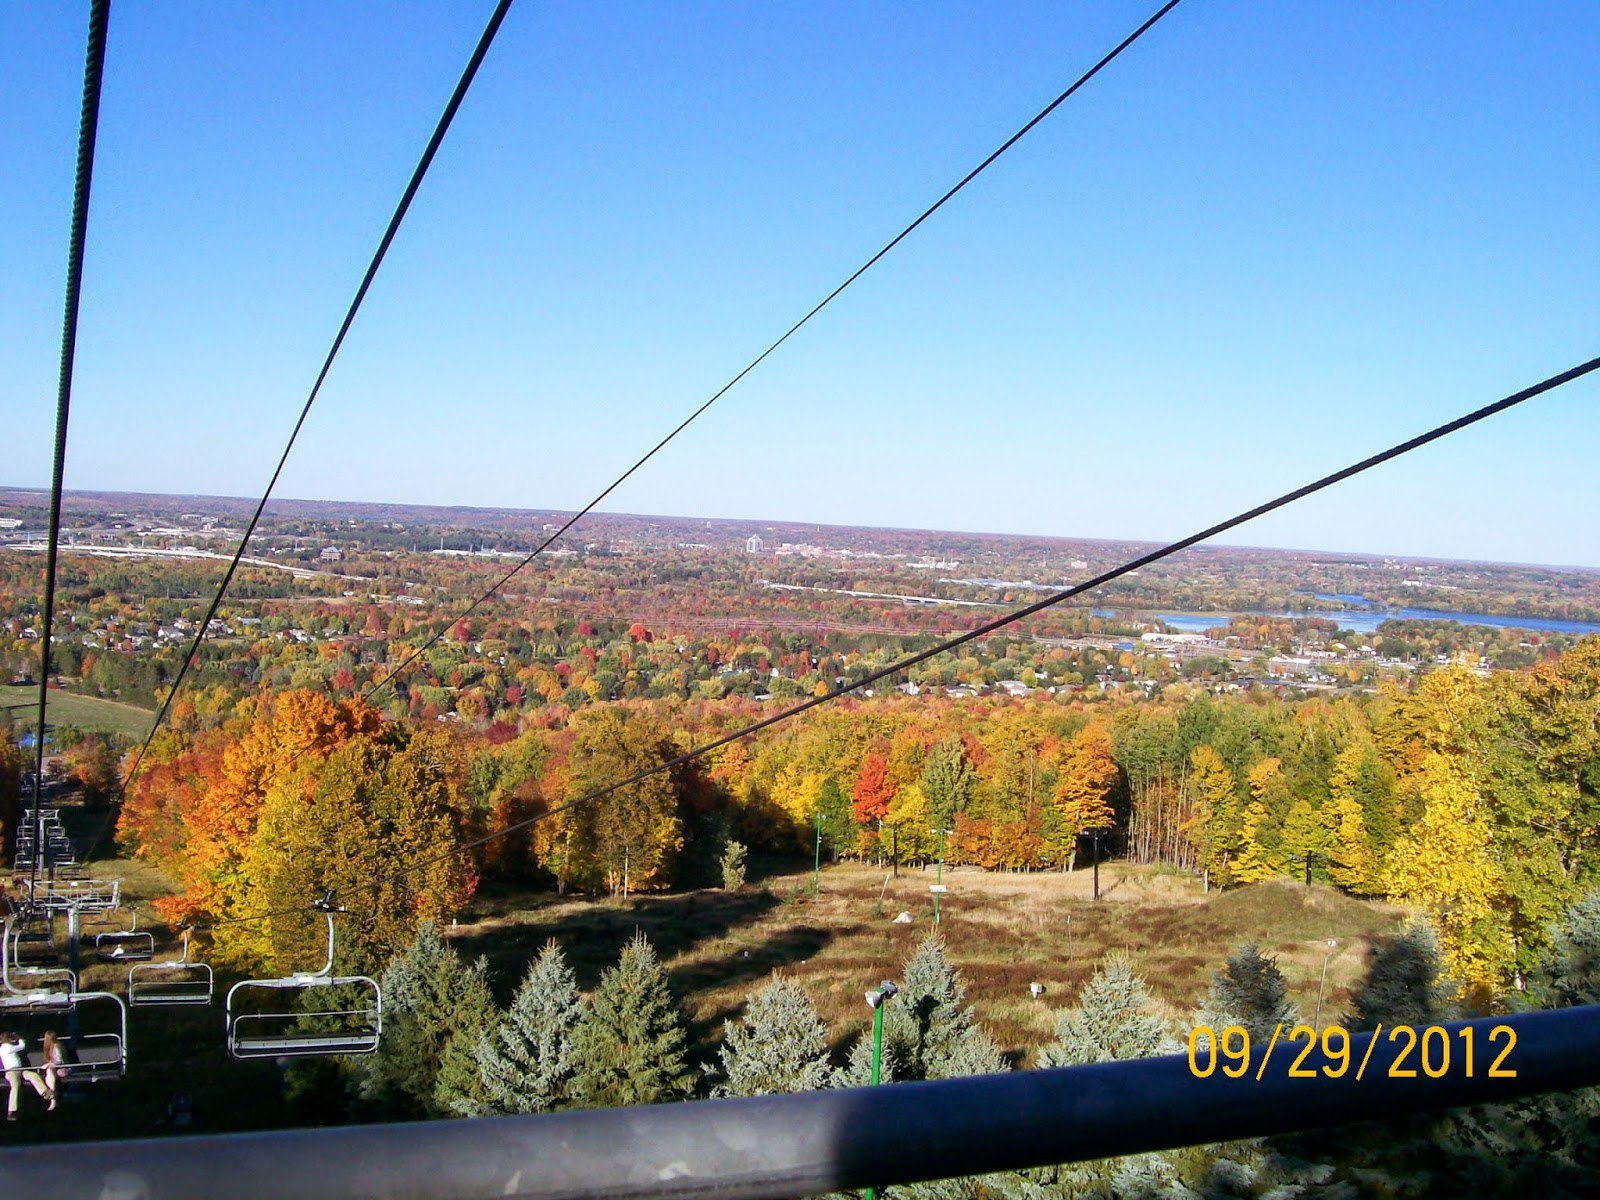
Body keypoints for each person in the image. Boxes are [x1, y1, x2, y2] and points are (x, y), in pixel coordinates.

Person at [1, 1031, 55, 1120]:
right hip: (11, 1071)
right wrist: (19, 1038)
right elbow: (22, 1046)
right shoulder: (6, 1047)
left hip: (20, 1070)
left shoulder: (9, 1046)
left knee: (33, 1075)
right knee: (15, 1085)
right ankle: (12, 1110)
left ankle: (44, 1092)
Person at [40, 1030, 66, 1095]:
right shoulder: (48, 1048)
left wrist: (49, 1064)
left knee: (49, 1074)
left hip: (62, 1068)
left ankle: (53, 1094)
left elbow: (59, 1061)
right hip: (55, 1069)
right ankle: (53, 1095)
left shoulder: (57, 1046)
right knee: (48, 1076)